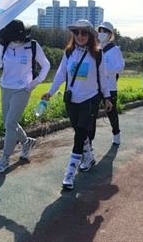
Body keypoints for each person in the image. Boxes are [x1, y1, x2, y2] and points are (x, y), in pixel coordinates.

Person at [41, 19, 112, 190]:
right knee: (80, 131)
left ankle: (70, 174)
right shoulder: (69, 52)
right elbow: (60, 74)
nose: (80, 36)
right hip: (72, 99)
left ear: (90, 35)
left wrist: (107, 97)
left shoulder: (98, 54)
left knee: (79, 133)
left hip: (90, 98)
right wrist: (50, 92)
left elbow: (103, 78)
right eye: (76, 33)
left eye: (83, 33)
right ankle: (88, 157)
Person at [0, 19, 50, 173]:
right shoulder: (4, 46)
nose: (18, 39)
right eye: (14, 37)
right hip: (5, 87)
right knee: (8, 123)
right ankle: (26, 142)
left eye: (20, 36)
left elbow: (46, 65)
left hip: (23, 88)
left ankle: (5, 158)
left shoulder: (32, 46)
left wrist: (35, 83)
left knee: (11, 122)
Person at [96, 21, 125, 145]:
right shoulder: (96, 48)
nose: (102, 33)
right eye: (100, 31)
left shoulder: (115, 49)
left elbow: (121, 66)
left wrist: (107, 71)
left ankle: (116, 133)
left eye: (105, 31)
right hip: (95, 86)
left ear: (110, 34)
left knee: (111, 112)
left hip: (110, 86)